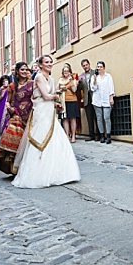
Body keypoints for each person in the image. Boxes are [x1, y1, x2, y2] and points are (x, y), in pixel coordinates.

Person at [12, 54, 81, 189]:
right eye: (47, 62)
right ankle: (38, 174)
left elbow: (52, 94)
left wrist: (58, 98)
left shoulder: (51, 78)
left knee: (56, 138)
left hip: (49, 110)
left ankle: (59, 172)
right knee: (41, 137)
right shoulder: (38, 77)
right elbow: (46, 96)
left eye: (51, 62)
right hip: (41, 111)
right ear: (41, 65)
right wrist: (56, 96)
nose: (50, 64)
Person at [0, 61, 34, 176]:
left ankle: (28, 168)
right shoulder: (12, 86)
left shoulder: (32, 84)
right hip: (16, 116)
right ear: (17, 71)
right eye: (22, 69)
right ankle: (14, 168)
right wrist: (9, 108)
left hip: (29, 116)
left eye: (26, 69)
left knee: (28, 142)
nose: (25, 72)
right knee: (15, 140)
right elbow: (8, 102)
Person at [90, 60, 115, 144]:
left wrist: (111, 97)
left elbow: (111, 87)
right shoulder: (94, 77)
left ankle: (108, 135)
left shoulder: (108, 76)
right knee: (99, 118)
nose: (99, 68)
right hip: (97, 100)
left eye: (100, 67)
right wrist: (94, 81)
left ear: (104, 68)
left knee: (106, 117)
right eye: (98, 67)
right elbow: (93, 89)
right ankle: (102, 135)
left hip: (106, 100)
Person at [57, 62, 80, 142]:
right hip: (63, 101)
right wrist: (61, 89)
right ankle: (67, 135)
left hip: (72, 100)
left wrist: (72, 83)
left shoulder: (73, 79)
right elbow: (57, 90)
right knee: (65, 118)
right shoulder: (60, 80)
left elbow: (74, 90)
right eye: (64, 71)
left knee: (72, 118)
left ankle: (73, 135)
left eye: (67, 71)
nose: (65, 72)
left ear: (70, 72)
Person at [78, 58, 98, 141]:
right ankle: (91, 135)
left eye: (86, 65)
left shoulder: (95, 73)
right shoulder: (81, 76)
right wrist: (79, 82)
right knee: (89, 117)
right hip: (87, 98)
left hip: (95, 97)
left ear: (89, 64)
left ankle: (98, 135)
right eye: (84, 66)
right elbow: (79, 89)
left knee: (97, 117)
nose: (85, 67)